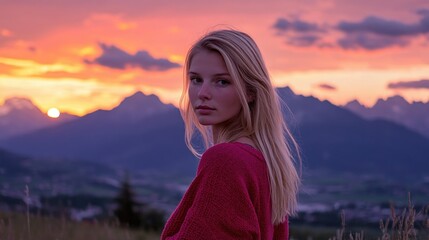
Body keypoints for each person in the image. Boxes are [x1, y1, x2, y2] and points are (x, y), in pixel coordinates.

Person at [161, 29, 300, 240]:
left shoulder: (225, 160)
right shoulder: (268, 165)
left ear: (251, 91)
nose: (202, 93)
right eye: (196, 79)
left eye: (222, 81)